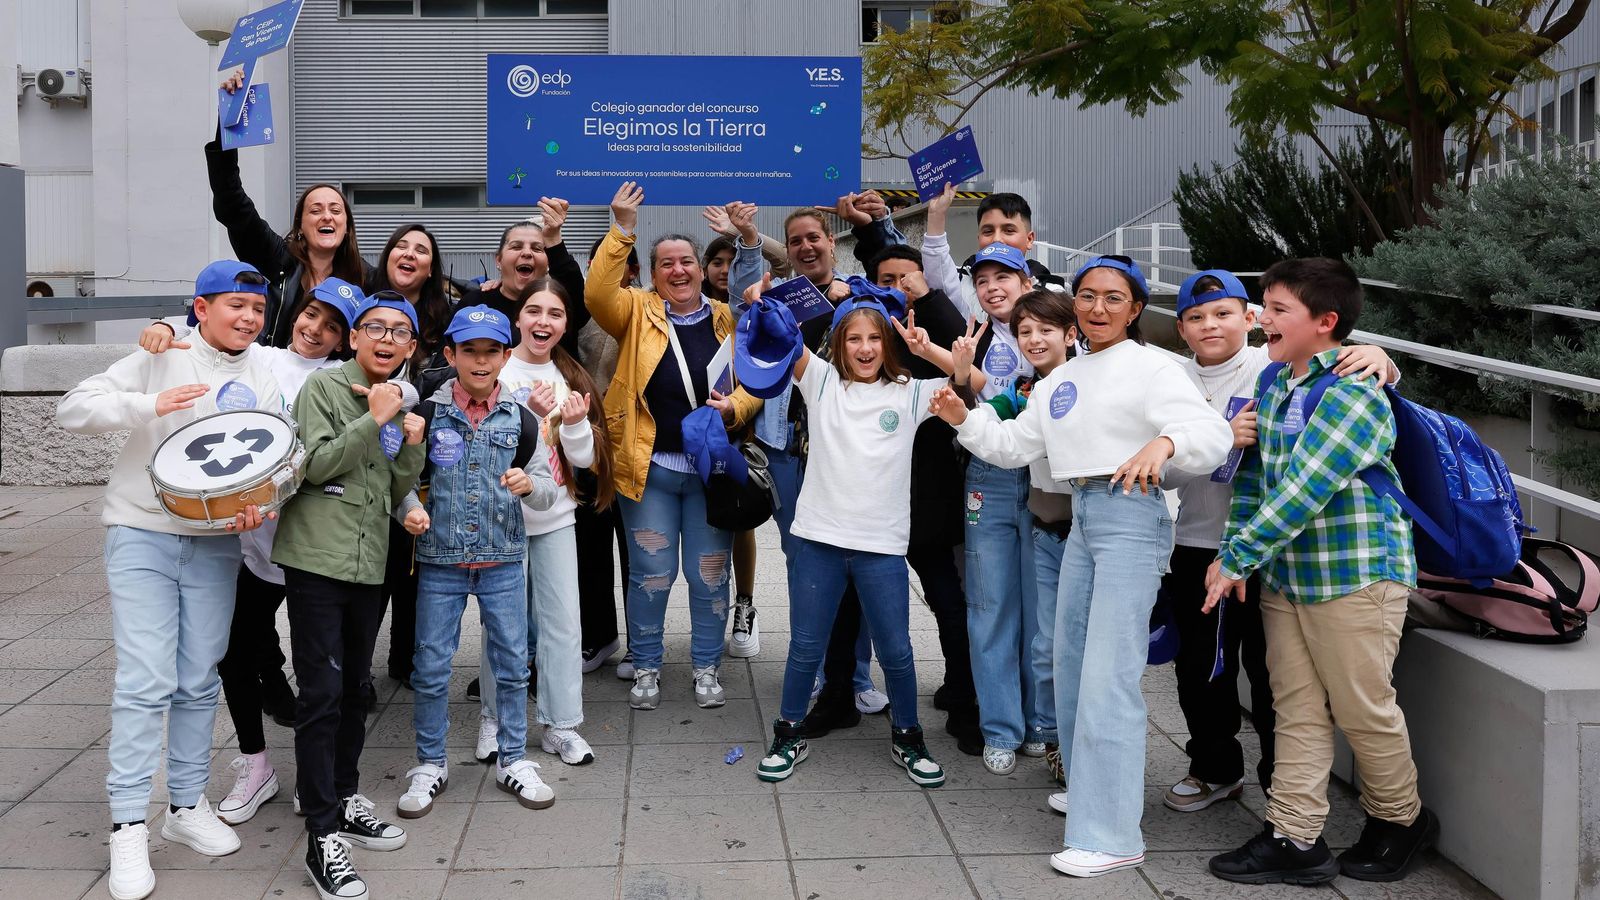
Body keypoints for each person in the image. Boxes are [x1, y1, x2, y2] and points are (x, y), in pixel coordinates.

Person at [930, 255, 1232, 878]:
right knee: (1068, 662)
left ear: (1136, 307)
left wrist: (1165, 442)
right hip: (1083, 516)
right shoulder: (1060, 381)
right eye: (1088, 296)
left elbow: (1210, 433)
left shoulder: (1153, 366)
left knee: (1108, 676)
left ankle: (1111, 832)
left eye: (1113, 298)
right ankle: (1089, 788)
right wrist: (965, 417)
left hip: (1131, 515)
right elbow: (1015, 447)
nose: (1098, 308)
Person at [1203, 258, 1436, 885]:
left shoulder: (1357, 390)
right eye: (1264, 305)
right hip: (1289, 577)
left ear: (1326, 322)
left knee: (1363, 708)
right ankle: (1295, 836)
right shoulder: (1276, 384)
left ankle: (1401, 819)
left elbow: (1308, 488)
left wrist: (1237, 558)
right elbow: (1255, 483)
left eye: (1279, 309)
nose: (1263, 318)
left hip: (1357, 576)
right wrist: (1239, 552)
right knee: (1296, 709)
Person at [57, 260, 284, 900]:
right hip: (141, 533)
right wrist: (148, 403)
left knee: (196, 675)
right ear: (200, 307)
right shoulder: (163, 351)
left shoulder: (264, 368)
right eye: (234, 304)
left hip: (215, 544)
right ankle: (129, 824)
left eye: (257, 308)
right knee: (145, 679)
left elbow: (273, 453)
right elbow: (74, 409)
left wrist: (260, 503)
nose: (247, 317)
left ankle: (186, 807)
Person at [1163, 271, 1398, 815]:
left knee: (1289, 687)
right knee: (1207, 671)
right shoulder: (1176, 377)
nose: (1209, 324)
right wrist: (1217, 446)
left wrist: (1380, 356)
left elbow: (1303, 483)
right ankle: (1233, 783)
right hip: (1209, 547)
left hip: (1290, 557)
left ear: (1248, 318)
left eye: (1226, 312)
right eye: (1195, 317)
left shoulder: (1273, 371)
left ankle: (1304, 797)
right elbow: (1182, 471)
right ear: (1179, 329)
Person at [136, 278, 364, 827]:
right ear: (294, 314)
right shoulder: (258, 356)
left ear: (345, 339)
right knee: (234, 652)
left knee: (321, 666)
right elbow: (202, 333)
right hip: (250, 541)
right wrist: (167, 325)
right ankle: (255, 762)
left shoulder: (342, 379)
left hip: (312, 544)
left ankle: (322, 774)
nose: (317, 331)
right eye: (312, 316)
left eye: (334, 326)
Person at [754, 293, 947, 789]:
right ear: (838, 344)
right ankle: (788, 732)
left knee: (898, 651)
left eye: (875, 338)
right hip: (819, 542)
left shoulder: (909, 393)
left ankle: (908, 735)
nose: (865, 348)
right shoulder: (820, 382)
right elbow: (780, 339)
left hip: (881, 548)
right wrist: (758, 291)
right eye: (854, 338)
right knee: (804, 648)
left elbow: (975, 386)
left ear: (889, 343)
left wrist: (936, 353)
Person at [272, 291, 428, 900]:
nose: (386, 339)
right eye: (375, 328)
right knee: (321, 694)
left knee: (358, 687)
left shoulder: (392, 397)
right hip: (316, 559)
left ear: (411, 347)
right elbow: (317, 465)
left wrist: (410, 439)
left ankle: (343, 793)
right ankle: (320, 835)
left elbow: (394, 485)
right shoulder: (324, 388)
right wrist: (379, 417)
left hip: (370, 562)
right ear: (354, 338)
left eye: (399, 332)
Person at [585, 181, 760, 710]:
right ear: (654, 273)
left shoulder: (728, 316)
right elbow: (596, 295)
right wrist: (622, 229)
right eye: (667, 264)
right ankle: (648, 667)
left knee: (710, 574)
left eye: (687, 261)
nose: (678, 270)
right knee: (651, 575)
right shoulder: (636, 312)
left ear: (702, 269)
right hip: (649, 469)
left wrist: (737, 407)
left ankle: (706, 668)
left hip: (711, 473)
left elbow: (756, 382)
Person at [394, 304, 561, 819]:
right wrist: (411, 508)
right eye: (470, 351)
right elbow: (399, 478)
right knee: (430, 666)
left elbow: (549, 490)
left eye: (492, 352)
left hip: (503, 560)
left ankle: (513, 757)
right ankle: (429, 762)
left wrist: (531, 485)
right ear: (451, 354)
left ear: (506, 356)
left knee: (513, 666)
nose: (481, 361)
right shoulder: (424, 414)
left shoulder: (525, 419)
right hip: (441, 562)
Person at [473, 278, 613, 768]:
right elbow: (481, 453)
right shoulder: (494, 372)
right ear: (518, 318)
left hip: (555, 518)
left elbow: (584, 459)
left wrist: (573, 423)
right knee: (503, 627)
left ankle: (562, 724)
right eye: (534, 311)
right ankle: (495, 720)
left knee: (561, 625)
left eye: (554, 314)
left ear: (565, 324)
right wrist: (525, 421)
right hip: (500, 521)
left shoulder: (569, 377)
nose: (543, 322)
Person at [206, 70, 367, 346]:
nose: (326, 215)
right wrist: (228, 122)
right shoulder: (277, 260)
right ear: (300, 226)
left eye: (335, 210)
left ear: (347, 227)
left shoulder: (367, 278)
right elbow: (232, 203)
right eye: (315, 210)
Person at [920, 184, 1066, 318]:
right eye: (988, 231)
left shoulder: (1052, 292)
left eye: (1008, 230)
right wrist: (936, 215)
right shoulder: (960, 280)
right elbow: (939, 278)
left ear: (1029, 239)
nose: (997, 239)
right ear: (978, 238)